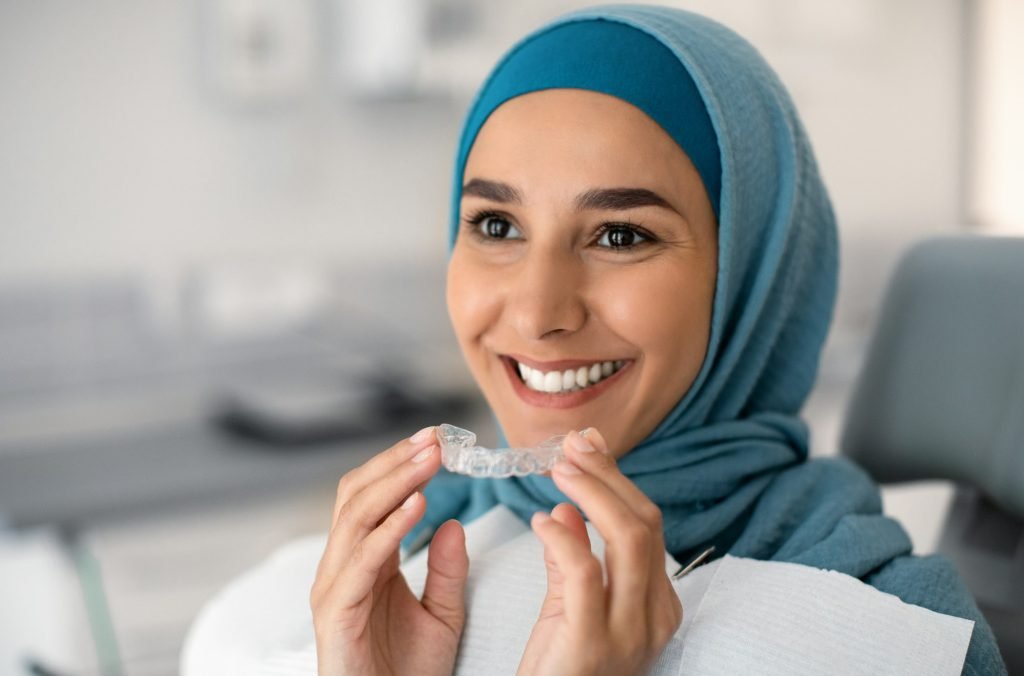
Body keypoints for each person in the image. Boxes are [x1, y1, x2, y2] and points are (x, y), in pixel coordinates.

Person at [309, 5, 1007, 675]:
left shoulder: (896, 634)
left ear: (752, 274)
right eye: (497, 225)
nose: (535, 313)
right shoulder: (399, 562)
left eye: (621, 235)